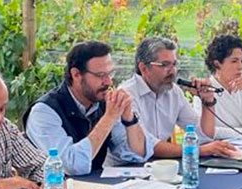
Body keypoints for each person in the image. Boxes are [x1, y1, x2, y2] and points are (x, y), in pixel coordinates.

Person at [24, 41, 154, 175]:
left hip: (92, 187)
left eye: (110, 74)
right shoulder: (44, 112)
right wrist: (108, 118)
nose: (109, 82)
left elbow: (138, 154)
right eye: (100, 75)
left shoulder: (102, 103)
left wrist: (128, 118)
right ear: (76, 75)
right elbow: (70, 166)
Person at [120, 37, 237, 158]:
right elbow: (147, 144)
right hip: (124, 168)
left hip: (159, 166)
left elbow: (203, 135)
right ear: (144, 68)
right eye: (165, 65)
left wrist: (208, 101)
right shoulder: (127, 94)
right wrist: (198, 150)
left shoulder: (173, 92)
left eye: (174, 64)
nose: (172, 71)